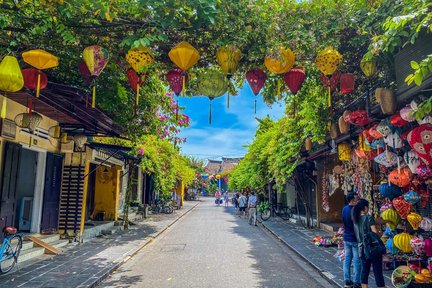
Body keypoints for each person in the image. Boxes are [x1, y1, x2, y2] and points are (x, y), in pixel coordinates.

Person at [352, 199, 385, 288]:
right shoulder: (368, 217)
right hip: (372, 248)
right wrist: (380, 233)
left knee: (365, 270)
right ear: (365, 207)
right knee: (377, 270)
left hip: (361, 249)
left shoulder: (355, 219)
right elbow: (374, 232)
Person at [342, 192, 361, 288]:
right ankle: (357, 281)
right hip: (355, 239)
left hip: (346, 237)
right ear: (352, 200)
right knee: (357, 261)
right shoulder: (355, 210)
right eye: (356, 199)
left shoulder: (344, 209)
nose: (357, 201)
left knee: (347, 260)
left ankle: (347, 280)